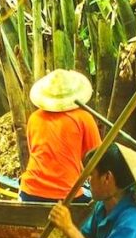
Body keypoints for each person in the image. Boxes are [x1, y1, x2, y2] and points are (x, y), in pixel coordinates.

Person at [19, 69, 101, 202]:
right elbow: (97, 159)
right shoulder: (84, 118)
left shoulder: (34, 118)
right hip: (67, 194)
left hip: (29, 191)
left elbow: (35, 151)